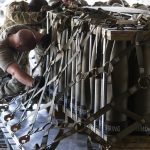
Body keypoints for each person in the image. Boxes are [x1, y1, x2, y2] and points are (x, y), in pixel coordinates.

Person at [0, 24, 50, 100]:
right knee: (18, 84)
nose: (26, 52)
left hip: (13, 58)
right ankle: (1, 93)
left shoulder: (19, 29)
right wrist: (34, 82)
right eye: (26, 50)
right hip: (3, 67)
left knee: (23, 75)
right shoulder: (2, 51)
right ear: (18, 47)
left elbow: (36, 36)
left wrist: (44, 40)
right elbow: (15, 72)